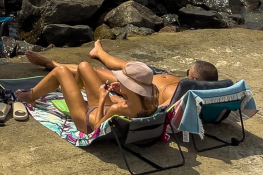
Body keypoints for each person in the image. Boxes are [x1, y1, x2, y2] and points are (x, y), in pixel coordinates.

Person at [25, 40, 219, 108]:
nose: (185, 75)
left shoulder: (181, 96)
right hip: (156, 76)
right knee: (129, 64)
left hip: (143, 84)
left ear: (194, 81)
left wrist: (119, 99)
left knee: (94, 72)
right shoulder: (210, 93)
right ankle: (99, 53)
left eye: (188, 74)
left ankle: (53, 64)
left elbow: (162, 111)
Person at [15, 58, 159, 135]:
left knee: (60, 70)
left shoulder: (118, 108)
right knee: (84, 66)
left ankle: (30, 96)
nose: (119, 81)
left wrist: (103, 98)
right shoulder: (150, 102)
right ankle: (71, 88)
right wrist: (120, 93)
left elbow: (97, 128)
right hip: (105, 113)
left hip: (86, 121)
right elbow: (131, 99)